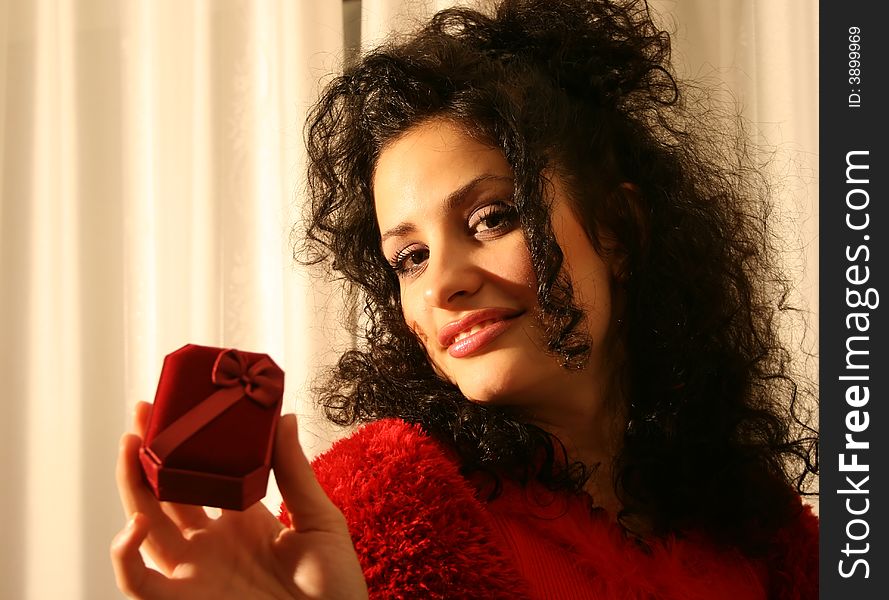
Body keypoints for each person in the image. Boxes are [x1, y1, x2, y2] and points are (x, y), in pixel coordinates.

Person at [111, 0, 819, 598]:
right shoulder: (367, 522)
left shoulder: (763, 533)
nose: (443, 281)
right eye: (409, 258)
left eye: (490, 219)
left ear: (618, 230)